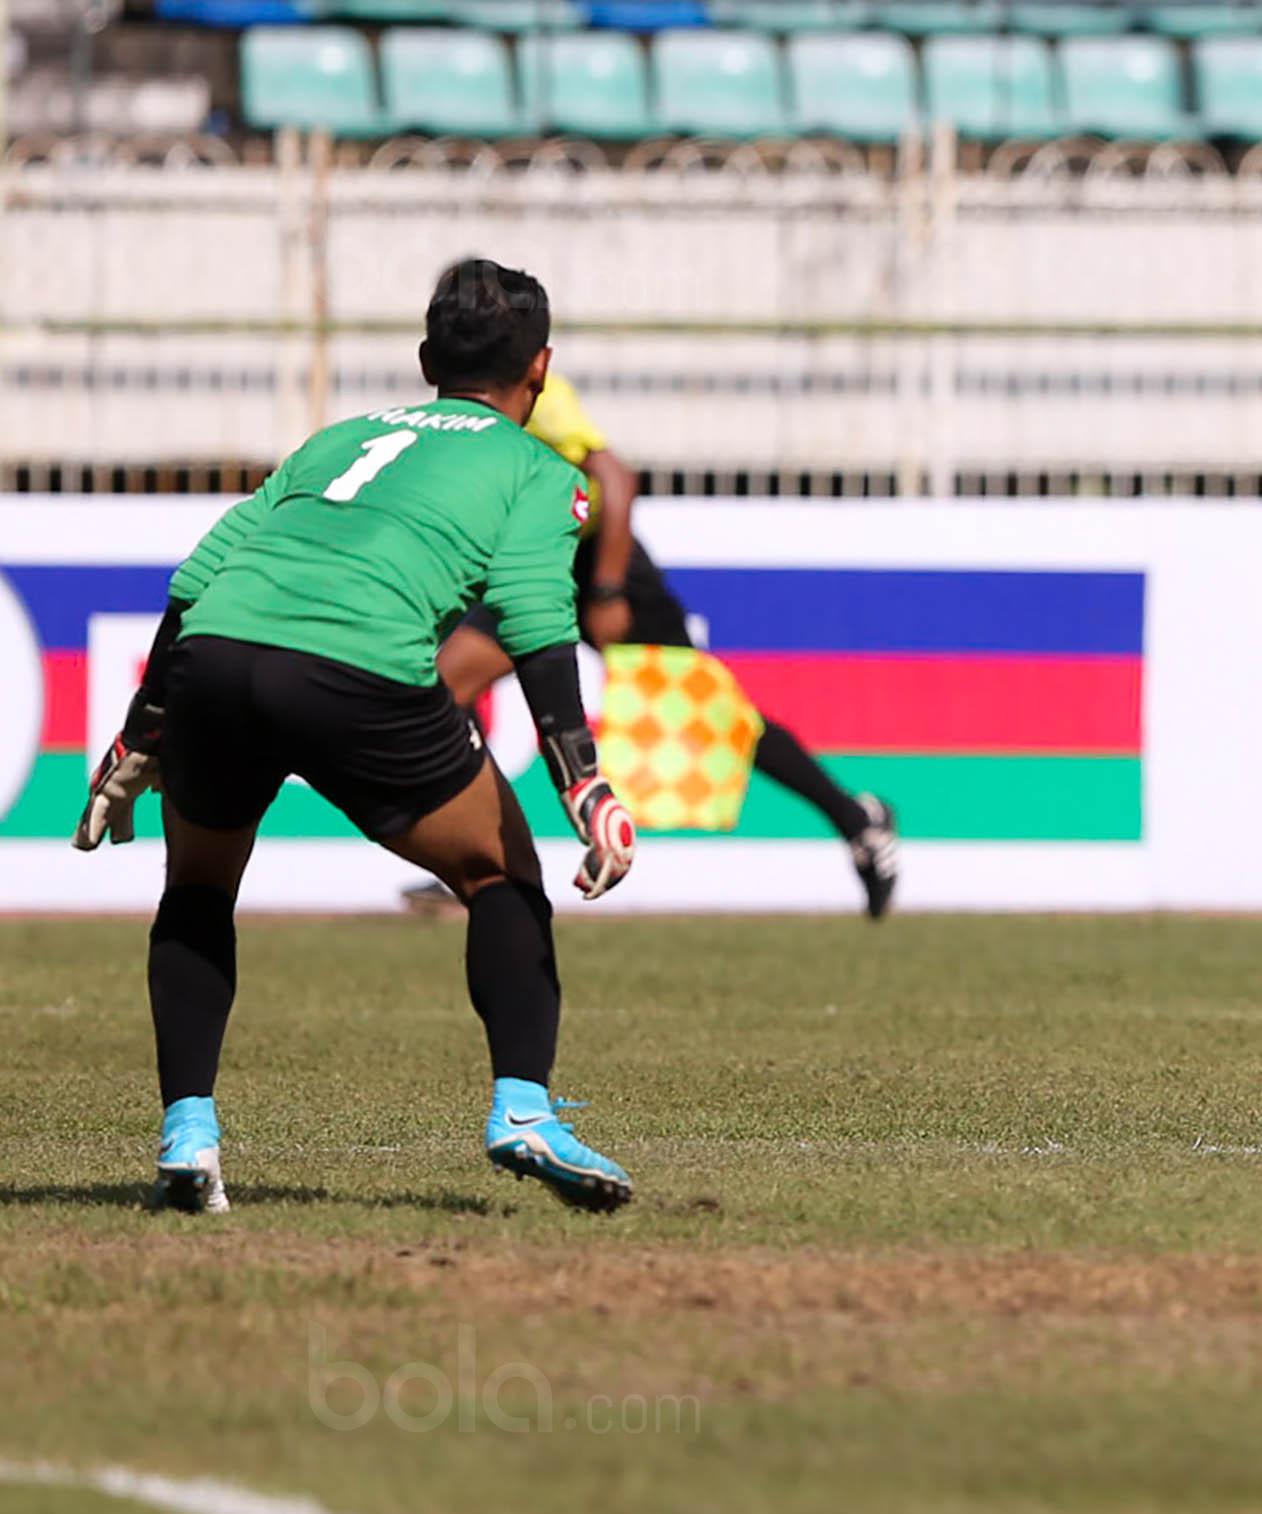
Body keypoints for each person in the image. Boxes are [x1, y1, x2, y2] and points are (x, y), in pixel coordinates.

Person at [74, 258, 641, 1213]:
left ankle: (189, 1135)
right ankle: (524, 1111)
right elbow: (540, 623)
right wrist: (584, 785)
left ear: (427, 359)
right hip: (355, 670)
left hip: (216, 657)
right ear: (540, 372)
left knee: (199, 887)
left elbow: (198, 577)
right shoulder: (541, 470)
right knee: (501, 876)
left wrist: (139, 739)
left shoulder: (335, 440)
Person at [428, 373, 900, 919]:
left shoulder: (535, 396)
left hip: (604, 564)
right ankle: (475, 859)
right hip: (538, 566)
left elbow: (616, 479)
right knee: (447, 688)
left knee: (713, 716)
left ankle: (859, 823)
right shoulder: (458, 409)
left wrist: (605, 589)